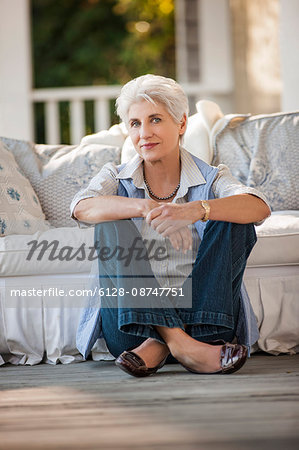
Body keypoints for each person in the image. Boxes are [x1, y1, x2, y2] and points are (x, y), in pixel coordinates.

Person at [71, 74, 271, 377]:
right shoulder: (116, 176)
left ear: (181, 124)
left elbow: (258, 206)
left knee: (233, 218)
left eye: (155, 120)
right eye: (135, 123)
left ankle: (163, 345)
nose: (144, 133)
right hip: (132, 329)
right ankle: (181, 343)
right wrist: (145, 207)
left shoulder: (212, 178)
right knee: (110, 225)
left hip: (207, 320)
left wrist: (194, 211)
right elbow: (81, 207)